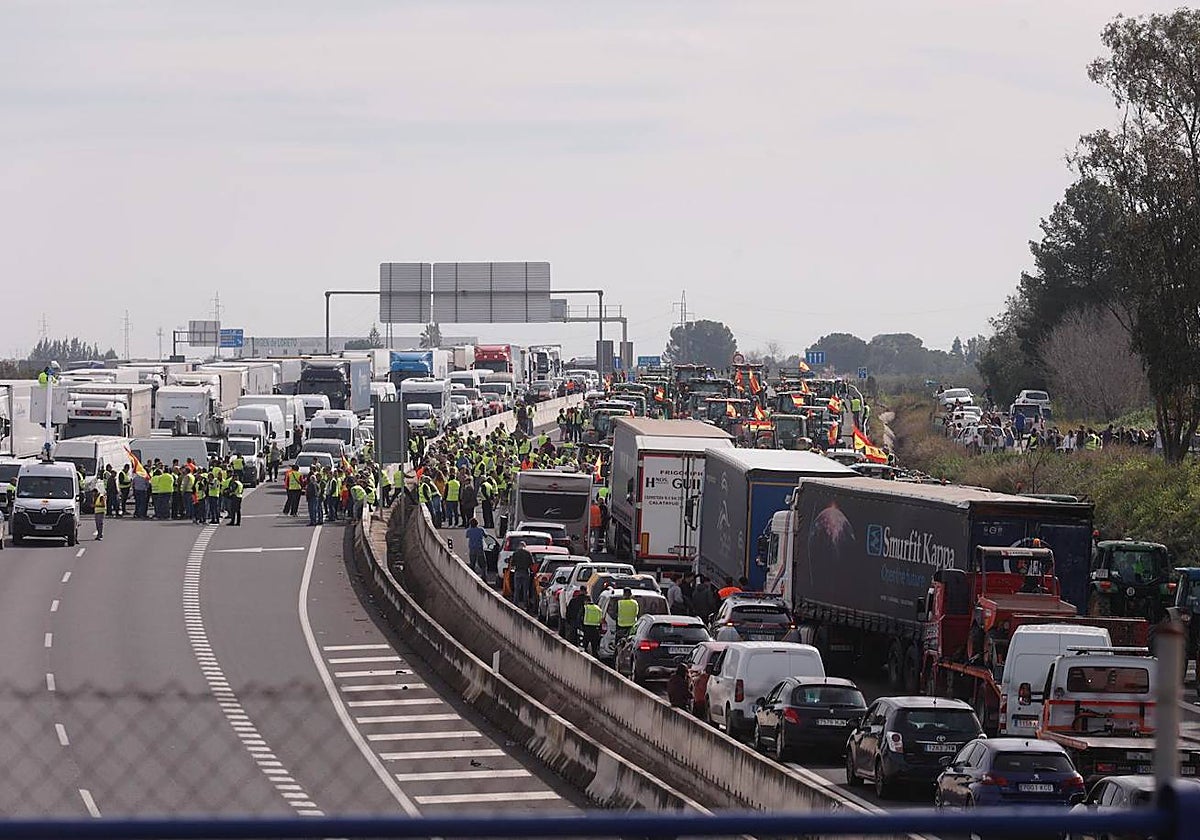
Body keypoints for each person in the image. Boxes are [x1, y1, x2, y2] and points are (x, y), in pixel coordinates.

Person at [509, 540, 534, 610]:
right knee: (525, 590)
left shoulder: (515, 553)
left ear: (519, 546)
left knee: (517, 589)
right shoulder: (528, 553)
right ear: (524, 546)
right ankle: (526, 605)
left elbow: (512, 563)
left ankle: (515, 604)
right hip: (526, 572)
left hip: (517, 572)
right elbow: (532, 563)